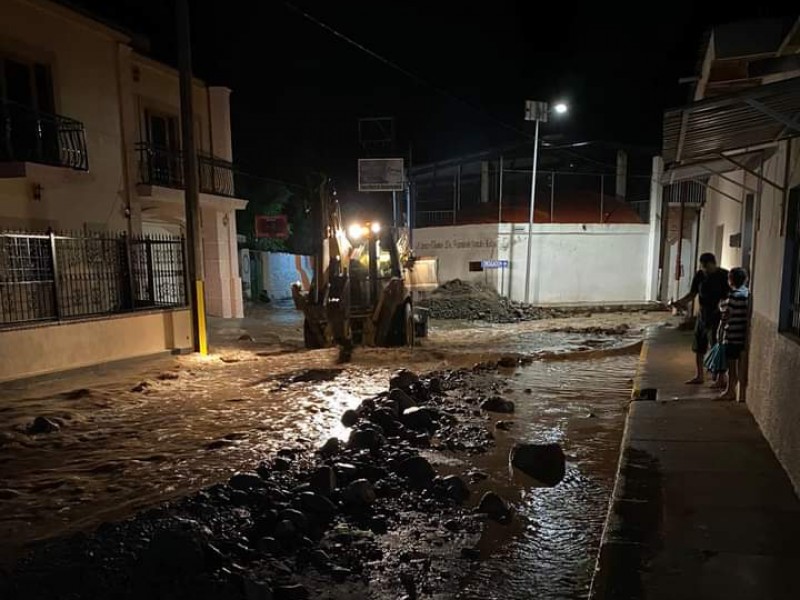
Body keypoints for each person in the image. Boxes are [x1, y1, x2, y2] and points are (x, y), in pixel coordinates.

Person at [671, 253, 729, 385]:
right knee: (698, 346)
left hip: (717, 317)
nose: (705, 270)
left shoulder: (724, 275)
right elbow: (693, 293)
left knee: (717, 346)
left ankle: (721, 377)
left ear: (714, 264)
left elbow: (728, 296)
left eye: (707, 267)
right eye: (703, 267)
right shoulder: (700, 276)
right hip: (703, 315)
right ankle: (699, 375)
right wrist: (681, 302)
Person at [716, 267, 750, 401]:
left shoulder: (732, 296)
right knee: (739, 365)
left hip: (731, 336)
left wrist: (720, 332)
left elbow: (726, 316)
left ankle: (730, 391)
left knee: (731, 366)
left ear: (731, 280)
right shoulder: (746, 294)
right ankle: (734, 391)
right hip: (742, 335)